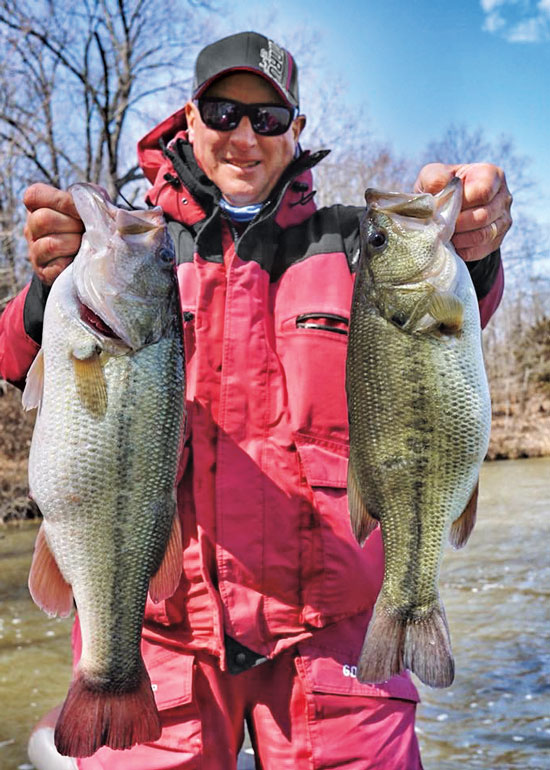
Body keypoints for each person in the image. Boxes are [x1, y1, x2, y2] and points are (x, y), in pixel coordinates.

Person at [1, 31, 510, 770]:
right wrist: (53, 286)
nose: (245, 136)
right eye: (223, 112)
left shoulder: (352, 244)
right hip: (163, 634)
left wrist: (475, 244)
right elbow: (17, 364)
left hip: (336, 641)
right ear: (189, 117)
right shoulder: (133, 248)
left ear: (296, 131)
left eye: (268, 119)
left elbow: (446, 340)